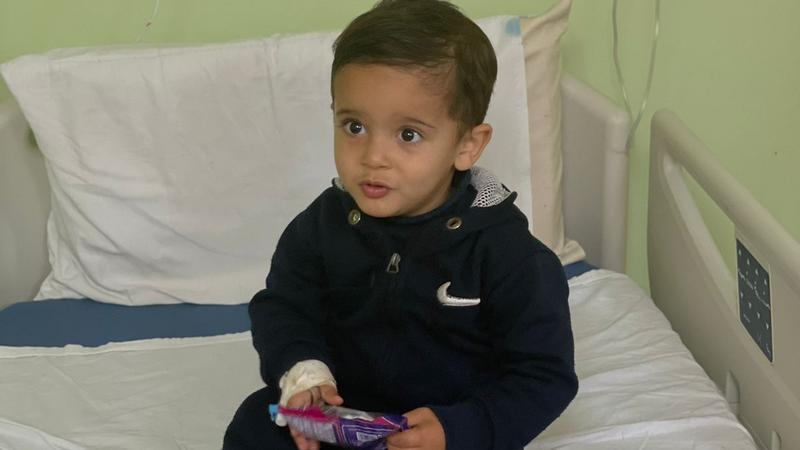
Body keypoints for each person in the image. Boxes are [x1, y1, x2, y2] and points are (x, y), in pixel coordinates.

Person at [223, 0, 577, 449]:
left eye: (408, 134)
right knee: (255, 423)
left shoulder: (510, 255)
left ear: (467, 145)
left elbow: (543, 376)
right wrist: (304, 374)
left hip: (446, 430)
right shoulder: (322, 224)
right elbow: (284, 308)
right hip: (341, 416)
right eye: (354, 126)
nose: (373, 156)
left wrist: (460, 429)